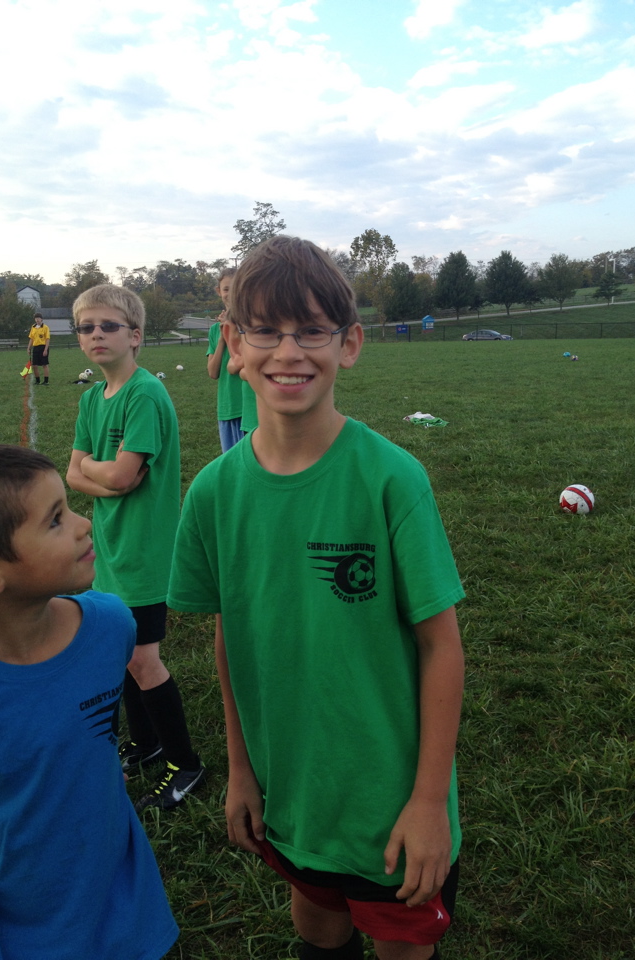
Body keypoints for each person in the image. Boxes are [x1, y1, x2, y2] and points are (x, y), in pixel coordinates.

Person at [168, 237, 465, 960]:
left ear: (349, 344)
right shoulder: (212, 493)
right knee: (317, 928)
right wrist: (241, 769)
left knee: (401, 946)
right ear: (233, 344)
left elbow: (441, 645)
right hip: (291, 797)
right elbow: (230, 637)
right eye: (265, 331)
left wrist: (429, 802)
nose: (288, 352)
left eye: (310, 331)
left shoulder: (392, 479)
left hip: (389, 804)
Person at [0, 444, 179, 960]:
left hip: (120, 892)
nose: (84, 525)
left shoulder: (111, 625)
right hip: (17, 913)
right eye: (56, 520)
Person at [66, 284, 204, 813]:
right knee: (122, 650)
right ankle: (147, 744)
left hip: (144, 550)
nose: (96, 335)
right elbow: (76, 474)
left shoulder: (144, 394)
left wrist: (98, 473)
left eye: (109, 326)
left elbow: (123, 476)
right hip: (111, 546)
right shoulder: (90, 398)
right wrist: (102, 476)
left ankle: (185, 764)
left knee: (145, 660)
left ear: (136, 336)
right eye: (86, 328)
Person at [207, 268, 244, 452]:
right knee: (230, 463)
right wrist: (223, 338)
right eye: (226, 289)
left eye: (236, 287)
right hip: (227, 408)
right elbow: (213, 372)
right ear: (219, 291)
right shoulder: (215, 330)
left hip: (249, 408)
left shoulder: (250, 325)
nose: (230, 294)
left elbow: (239, 364)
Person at [27, 311, 50, 384]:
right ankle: (37, 380)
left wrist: (45, 349)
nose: (37, 320)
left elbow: (47, 339)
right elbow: (31, 338)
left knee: (44, 364)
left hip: (43, 347)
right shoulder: (33, 327)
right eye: (36, 318)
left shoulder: (45, 327)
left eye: (38, 318)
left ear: (41, 319)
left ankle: (46, 381)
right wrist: (29, 348)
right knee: (34, 365)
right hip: (35, 347)